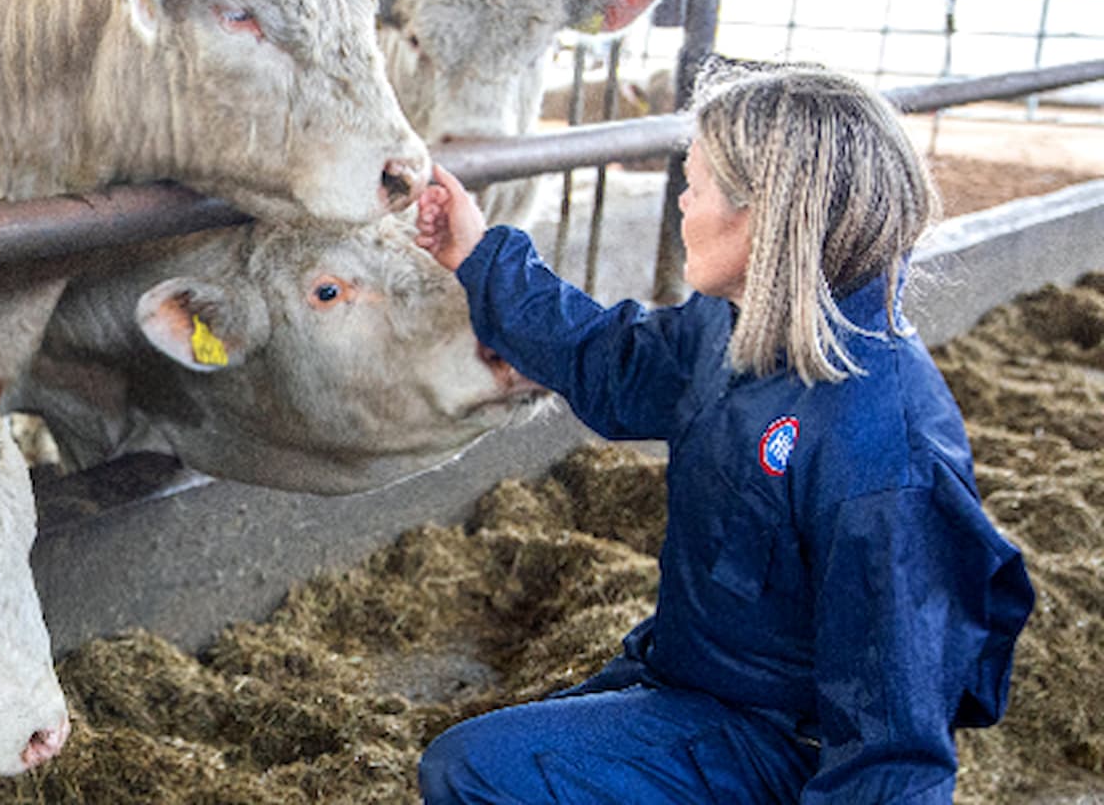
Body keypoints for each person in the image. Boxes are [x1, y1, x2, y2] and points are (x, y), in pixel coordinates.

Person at [413, 58, 1034, 804]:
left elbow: (893, 745)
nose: (680, 201)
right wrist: (478, 257)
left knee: (475, 768)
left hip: (784, 744)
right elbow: (615, 362)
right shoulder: (734, 328)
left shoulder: (881, 448)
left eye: (696, 185)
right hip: (691, 676)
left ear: (764, 214)